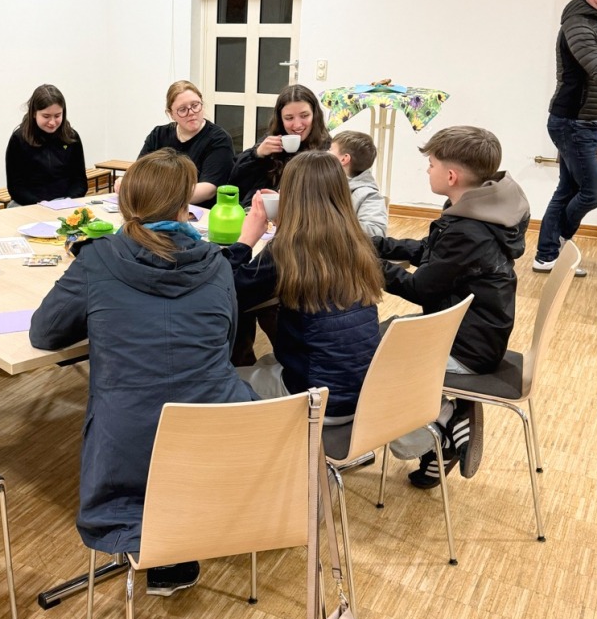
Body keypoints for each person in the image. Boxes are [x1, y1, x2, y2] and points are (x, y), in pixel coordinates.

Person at [29, 148, 256, 595]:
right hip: (215, 432)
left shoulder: (98, 259)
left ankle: (157, 535)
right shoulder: (216, 264)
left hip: (125, 446)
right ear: (183, 207)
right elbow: (226, 345)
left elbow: (45, 332)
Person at [372, 126, 530, 488]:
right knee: (379, 338)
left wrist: (364, 262)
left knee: (368, 360)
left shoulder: (468, 230)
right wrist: (376, 245)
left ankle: (447, 417)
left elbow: (419, 287)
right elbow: (432, 255)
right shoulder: (479, 210)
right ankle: (443, 438)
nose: (428, 170)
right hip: (476, 334)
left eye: (431, 164)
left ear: (451, 175)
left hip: (466, 349)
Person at [226, 151, 382, 421]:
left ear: (291, 196)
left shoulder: (288, 250)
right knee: (266, 361)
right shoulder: (357, 241)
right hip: (362, 394)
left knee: (224, 380)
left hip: (318, 401)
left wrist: (246, 240)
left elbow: (227, 291)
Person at [533, 0, 597, 277]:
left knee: (567, 191)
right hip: (572, 122)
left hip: (588, 123)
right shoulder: (577, 23)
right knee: (594, 192)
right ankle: (558, 243)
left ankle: (547, 256)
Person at [229, 84, 331, 206]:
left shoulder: (326, 147)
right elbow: (235, 184)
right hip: (260, 210)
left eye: (304, 116)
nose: (297, 125)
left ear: (315, 115)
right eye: (289, 118)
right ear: (280, 119)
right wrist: (256, 154)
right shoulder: (271, 140)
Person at [138, 81, 234, 206]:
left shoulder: (219, 139)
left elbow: (208, 189)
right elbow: (139, 174)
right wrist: (126, 183)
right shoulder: (158, 135)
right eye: (182, 110)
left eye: (195, 105)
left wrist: (161, 197)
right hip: (158, 206)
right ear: (171, 114)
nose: (191, 112)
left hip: (201, 211)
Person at [5, 84, 87, 205]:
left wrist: (68, 201)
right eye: (46, 116)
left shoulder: (72, 137)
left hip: (65, 203)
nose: (52, 122)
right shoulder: (18, 139)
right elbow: (15, 187)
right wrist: (40, 204)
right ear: (34, 113)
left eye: (57, 116)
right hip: (30, 204)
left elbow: (80, 181)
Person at [329, 130, 388, 237]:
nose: (326, 153)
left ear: (344, 159)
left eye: (330, 149)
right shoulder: (325, 183)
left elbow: (376, 232)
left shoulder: (369, 196)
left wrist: (328, 225)